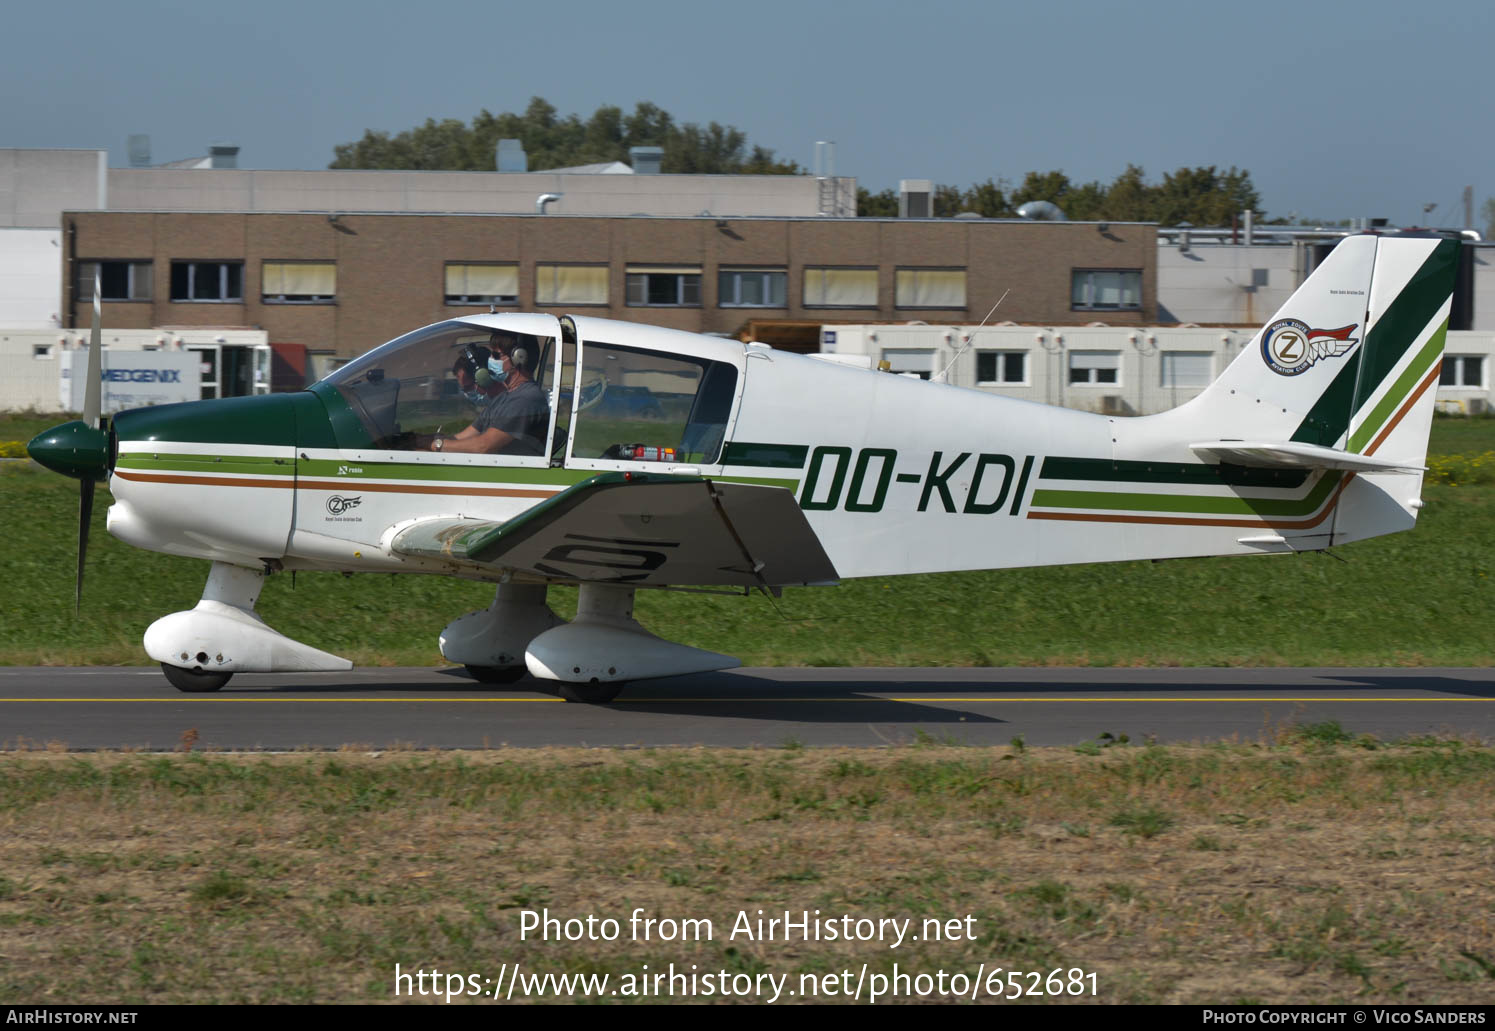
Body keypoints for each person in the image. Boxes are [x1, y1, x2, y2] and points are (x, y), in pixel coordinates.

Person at [429, 332, 549, 456]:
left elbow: (484, 446)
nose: (490, 359)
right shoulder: (504, 398)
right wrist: (427, 441)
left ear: (519, 358)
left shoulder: (526, 398)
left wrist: (438, 445)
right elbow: (461, 437)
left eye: (496, 355)